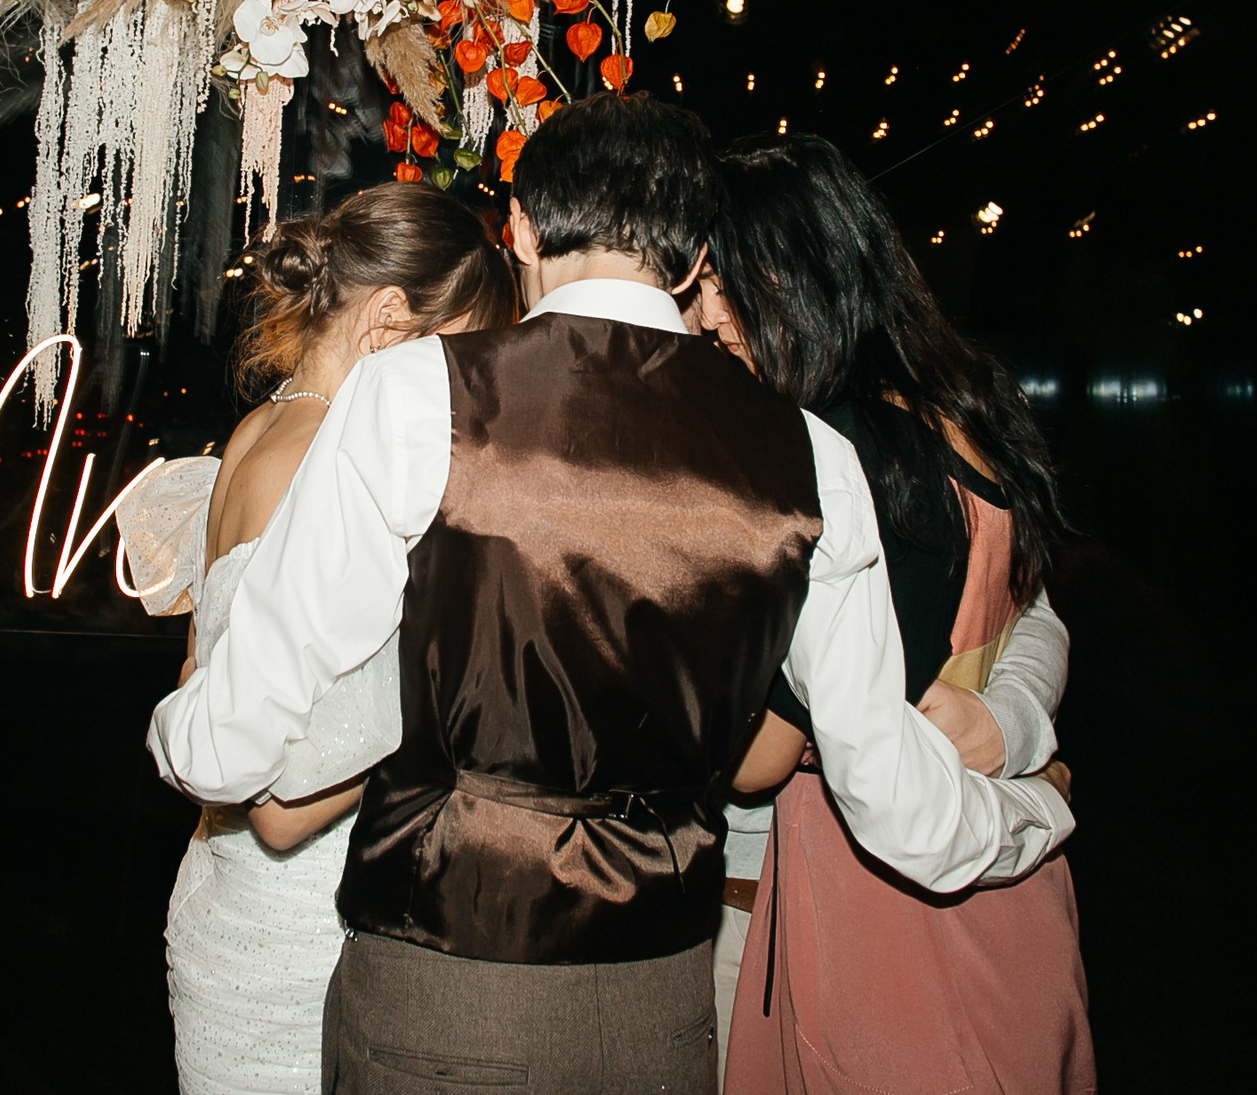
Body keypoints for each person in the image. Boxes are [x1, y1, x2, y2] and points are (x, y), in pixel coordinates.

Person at [149, 95, 1074, 1095]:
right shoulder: (814, 457)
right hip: (662, 1010)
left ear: (520, 229)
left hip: (445, 995)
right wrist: (1036, 806)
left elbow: (227, 748)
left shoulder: (412, 394)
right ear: (692, 262)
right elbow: (907, 818)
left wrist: (176, 722)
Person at [700, 133, 1094, 1094]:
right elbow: (1031, 611)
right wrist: (1018, 730)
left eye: (721, 281)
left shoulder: (842, 454)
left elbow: (758, 758)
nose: (706, 314)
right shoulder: (970, 405)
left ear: (789, 277)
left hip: (886, 923)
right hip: (1012, 913)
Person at [146, 182, 514, 1095]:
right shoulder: (329, 470)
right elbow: (283, 805)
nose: (463, 389)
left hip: (219, 897)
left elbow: (198, 671)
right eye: (458, 353)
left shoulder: (255, 429)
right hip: (301, 934)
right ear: (389, 321)